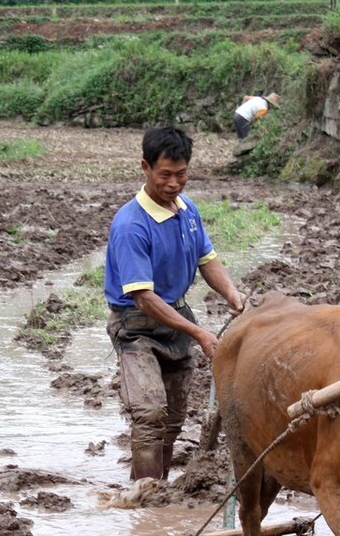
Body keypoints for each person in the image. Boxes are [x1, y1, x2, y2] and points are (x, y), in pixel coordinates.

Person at [104, 126, 247, 482]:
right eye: (164, 174)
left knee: (173, 419)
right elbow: (143, 297)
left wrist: (230, 292)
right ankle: (146, 496)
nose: (173, 183)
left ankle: (160, 487)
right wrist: (199, 332)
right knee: (150, 413)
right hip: (137, 325)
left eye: (181, 174)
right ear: (146, 168)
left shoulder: (188, 210)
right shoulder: (131, 225)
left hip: (176, 318)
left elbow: (207, 259)